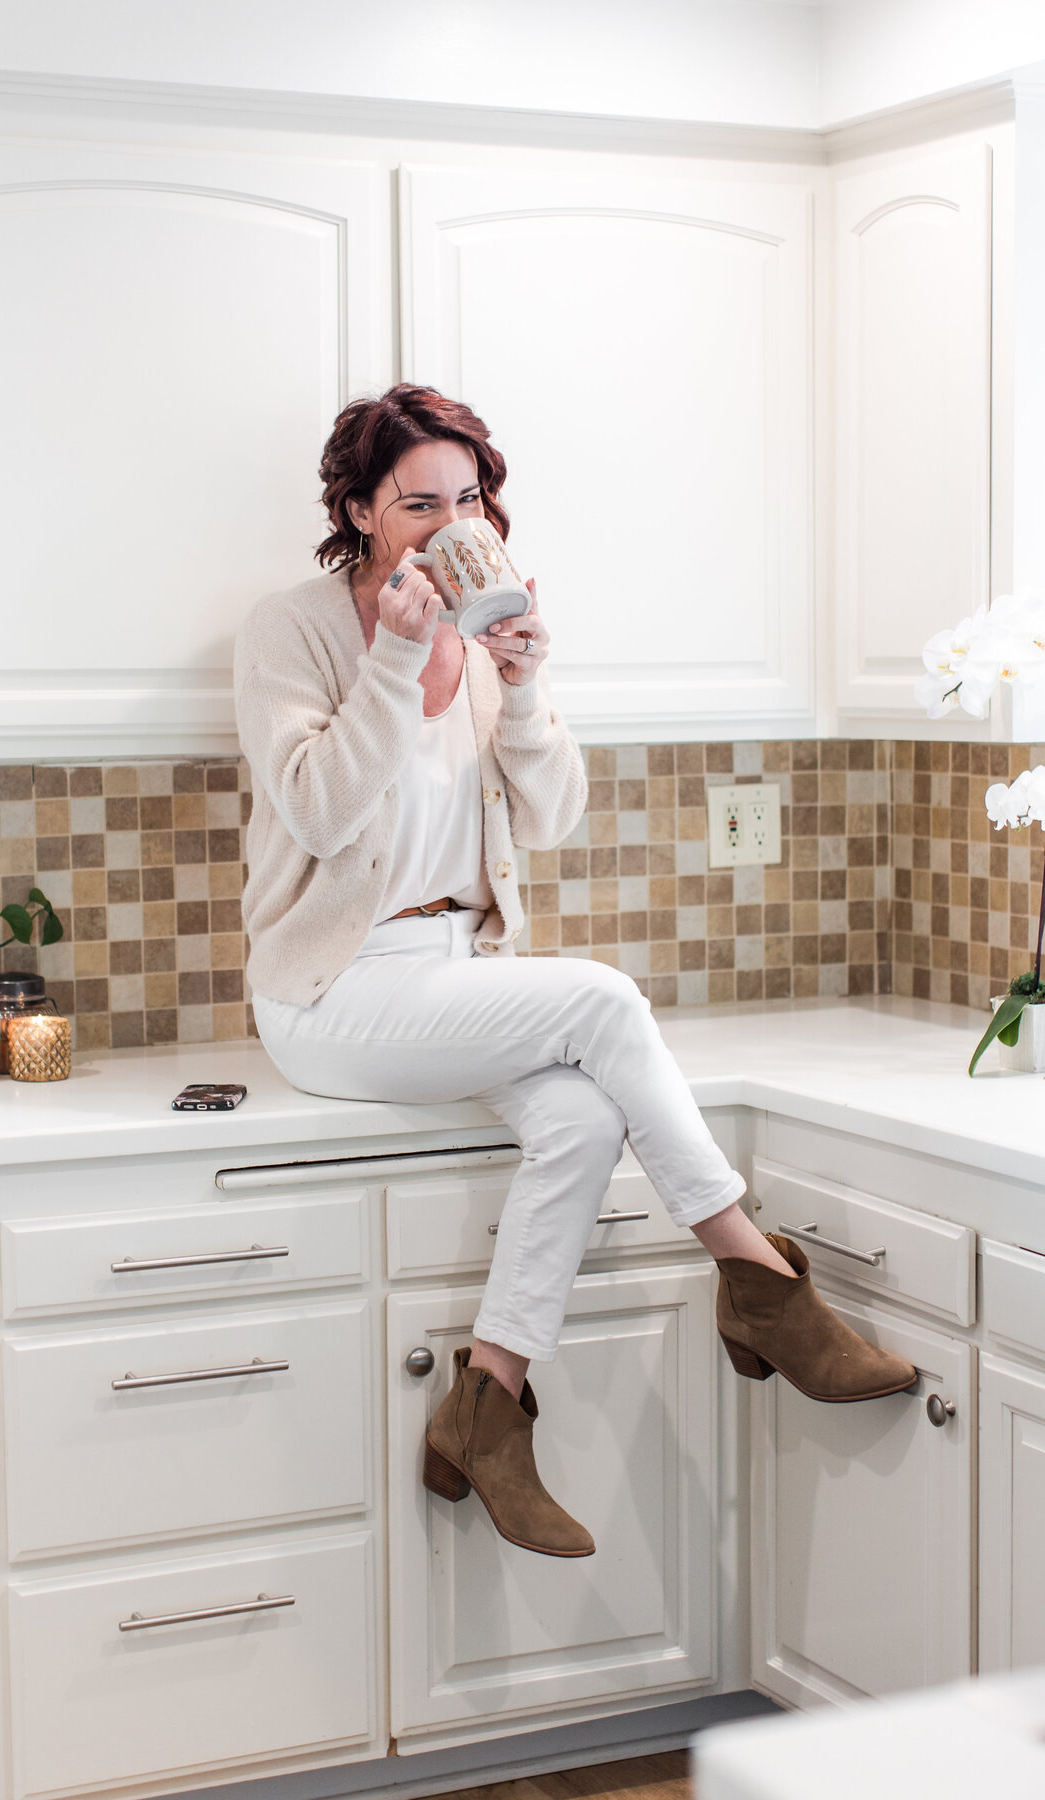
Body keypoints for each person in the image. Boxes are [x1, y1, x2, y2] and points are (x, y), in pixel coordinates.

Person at [234, 383, 918, 1560]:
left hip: (460, 976)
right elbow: (319, 811)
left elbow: (550, 818)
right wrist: (400, 659)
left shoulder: (483, 635)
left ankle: (485, 1408)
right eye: (417, 504)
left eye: (469, 498)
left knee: (581, 1119)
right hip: (332, 988)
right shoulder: (290, 631)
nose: (449, 523)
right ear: (357, 508)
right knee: (602, 998)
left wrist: (528, 680)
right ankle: (758, 1280)